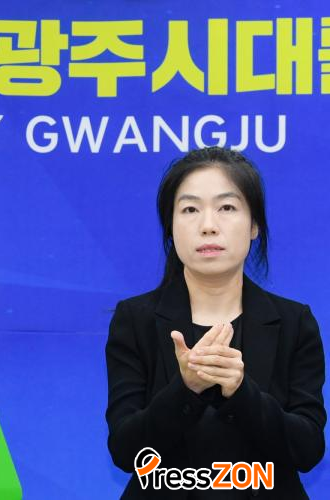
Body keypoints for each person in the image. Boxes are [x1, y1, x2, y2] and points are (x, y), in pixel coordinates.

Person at [105, 147, 325, 497]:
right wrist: (185, 389)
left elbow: (307, 449)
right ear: (170, 227)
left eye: (227, 208)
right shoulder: (135, 320)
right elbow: (125, 450)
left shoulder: (294, 322)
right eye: (190, 209)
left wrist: (241, 392)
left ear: (254, 225)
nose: (208, 226)